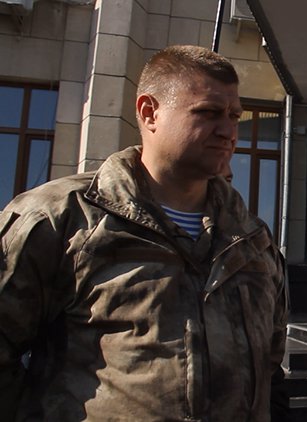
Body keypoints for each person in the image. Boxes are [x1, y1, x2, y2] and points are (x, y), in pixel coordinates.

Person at [0, 45, 288, 421]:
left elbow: (270, 370)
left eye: (234, 116)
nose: (228, 131)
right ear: (150, 113)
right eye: (208, 113)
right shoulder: (62, 219)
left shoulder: (253, 239)